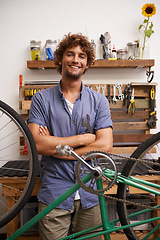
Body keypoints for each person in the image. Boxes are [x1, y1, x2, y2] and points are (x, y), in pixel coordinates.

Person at [28, 33, 113, 240]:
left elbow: (105, 144)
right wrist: (83, 139)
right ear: (60, 59)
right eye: (70, 54)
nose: (76, 59)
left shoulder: (99, 101)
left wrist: (58, 148)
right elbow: (37, 144)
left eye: (82, 56)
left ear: (87, 63)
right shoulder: (41, 99)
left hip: (90, 191)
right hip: (54, 192)